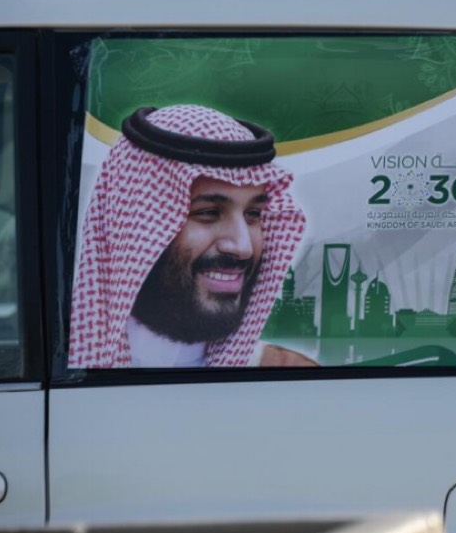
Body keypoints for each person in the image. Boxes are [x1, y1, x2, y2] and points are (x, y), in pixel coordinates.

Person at [68, 104, 311, 368]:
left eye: (253, 214)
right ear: (133, 221)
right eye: (208, 212)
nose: (243, 248)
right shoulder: (55, 360)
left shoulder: (289, 373)